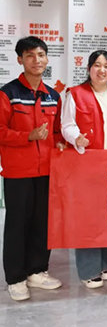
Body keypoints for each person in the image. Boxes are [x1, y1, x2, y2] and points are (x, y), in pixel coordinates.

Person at [0, 36, 64, 301]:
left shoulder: (53, 96)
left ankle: (37, 271)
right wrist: (27, 136)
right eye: (30, 56)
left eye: (41, 55)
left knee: (42, 223)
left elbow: (57, 131)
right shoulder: (8, 94)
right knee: (17, 225)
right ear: (20, 60)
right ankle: (15, 278)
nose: (36, 60)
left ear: (47, 58)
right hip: (18, 172)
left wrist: (60, 143)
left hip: (47, 171)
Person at [61, 50, 107, 289]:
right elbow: (66, 124)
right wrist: (76, 138)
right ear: (89, 68)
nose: (102, 70)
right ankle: (88, 270)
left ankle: (103, 263)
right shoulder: (75, 94)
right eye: (97, 65)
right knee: (87, 217)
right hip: (86, 165)